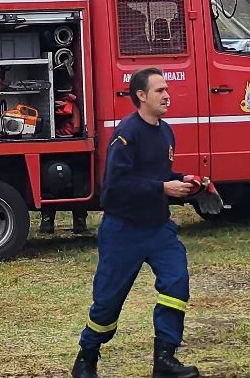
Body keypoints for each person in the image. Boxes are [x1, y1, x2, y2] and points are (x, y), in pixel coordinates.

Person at [72, 67, 202, 378]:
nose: (167, 95)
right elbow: (115, 185)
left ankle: (165, 360)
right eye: (159, 90)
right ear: (141, 96)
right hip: (123, 230)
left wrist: (182, 181)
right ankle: (87, 357)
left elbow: (158, 177)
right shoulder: (126, 134)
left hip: (158, 228)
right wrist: (161, 188)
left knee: (176, 282)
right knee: (107, 303)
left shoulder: (166, 131)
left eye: (167, 88)